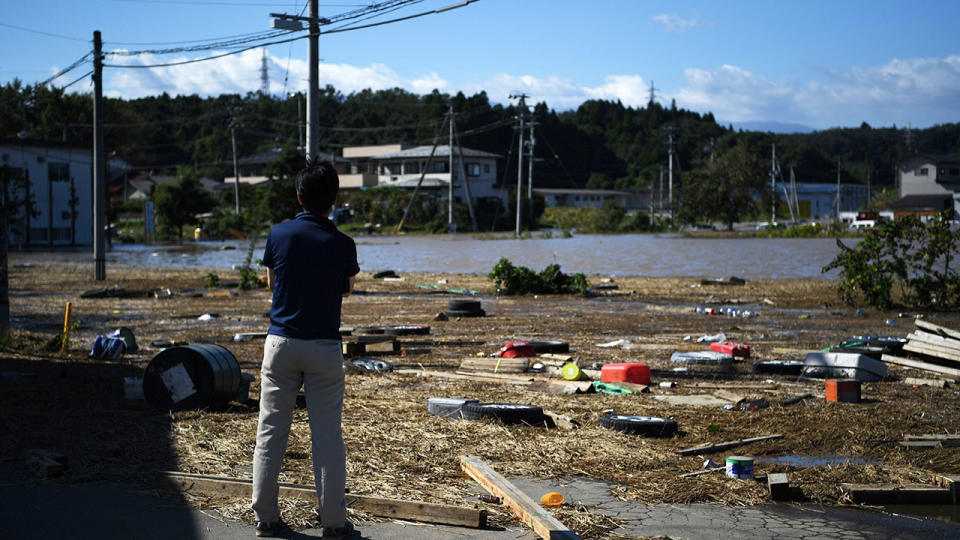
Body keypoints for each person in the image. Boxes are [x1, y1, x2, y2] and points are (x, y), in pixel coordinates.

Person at [251, 159, 359, 538]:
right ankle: (332, 521)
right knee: (327, 435)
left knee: (271, 428)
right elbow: (346, 289)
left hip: (280, 342)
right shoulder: (343, 243)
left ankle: (266, 515)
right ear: (335, 200)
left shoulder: (278, 235)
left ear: (299, 197)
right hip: (324, 345)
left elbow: (271, 282)